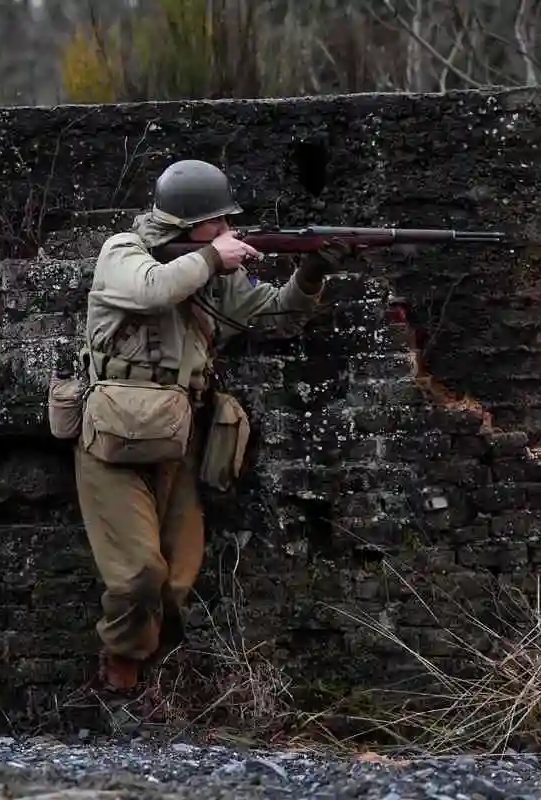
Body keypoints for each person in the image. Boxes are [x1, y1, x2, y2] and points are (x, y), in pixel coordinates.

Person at [57, 159, 350, 692]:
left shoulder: (215, 266)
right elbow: (150, 290)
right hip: (112, 440)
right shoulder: (124, 251)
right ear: (186, 225)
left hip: (179, 438)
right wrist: (214, 257)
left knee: (177, 578)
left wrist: (312, 271)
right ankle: (120, 675)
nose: (228, 232)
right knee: (138, 575)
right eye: (217, 223)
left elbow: (275, 317)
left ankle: (158, 684)